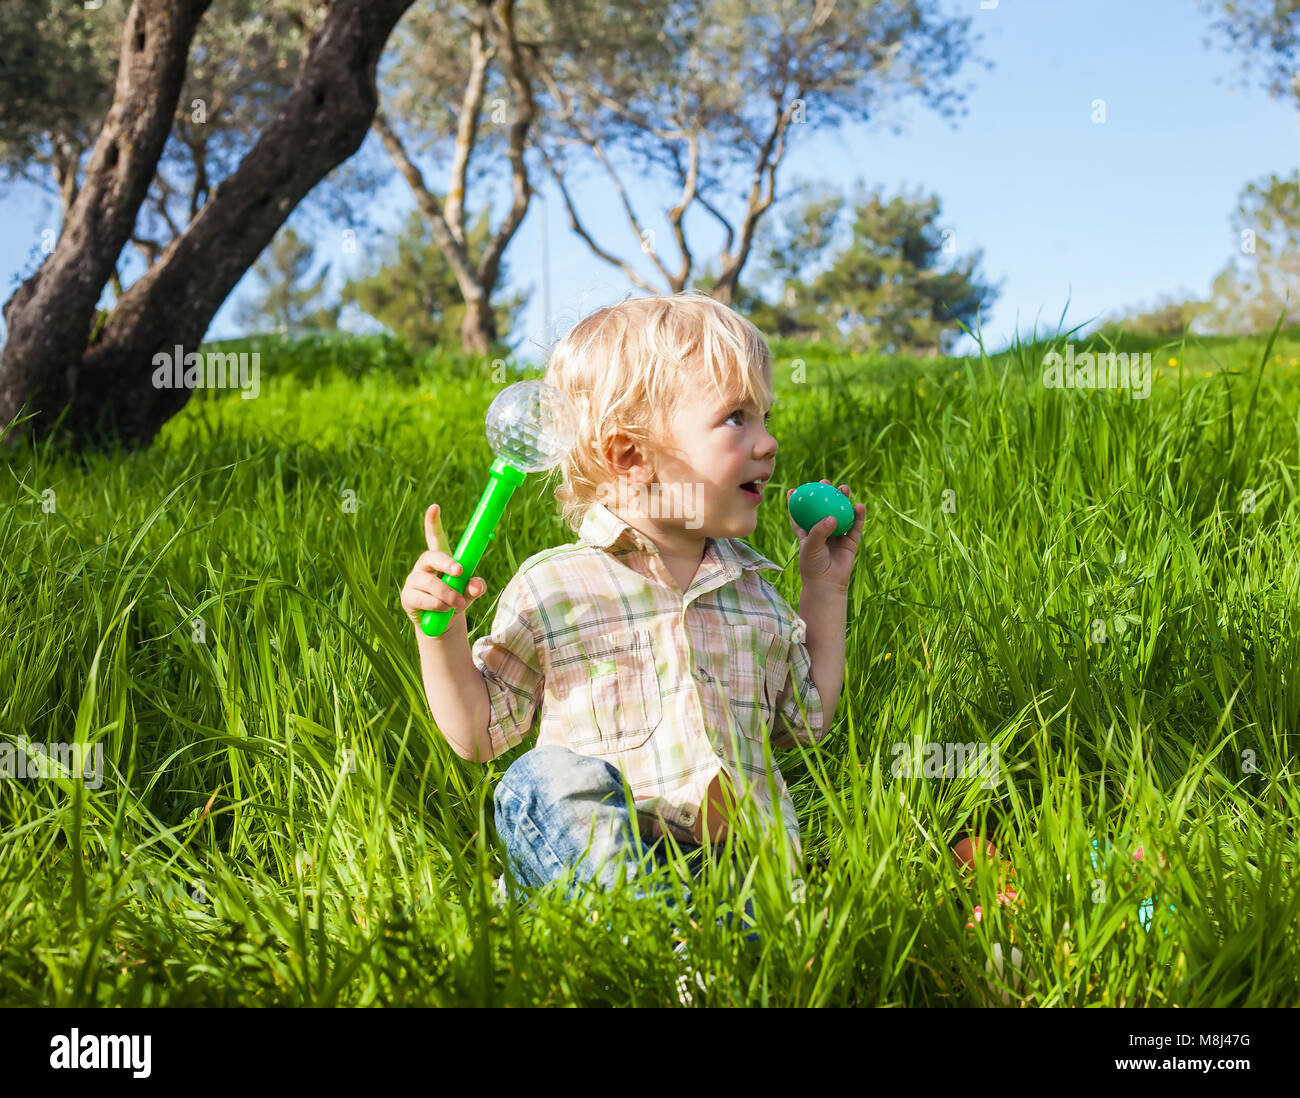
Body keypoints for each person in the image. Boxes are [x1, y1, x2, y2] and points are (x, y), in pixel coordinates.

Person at [400, 291, 865, 949]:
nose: (770, 442)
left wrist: (824, 586)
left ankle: (689, 952)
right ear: (629, 457)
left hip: (740, 876)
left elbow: (808, 721)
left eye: (765, 415)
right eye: (737, 418)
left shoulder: (756, 593)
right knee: (540, 780)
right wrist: (439, 631)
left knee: (754, 912)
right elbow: (478, 736)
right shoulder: (555, 585)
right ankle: (650, 937)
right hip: (597, 865)